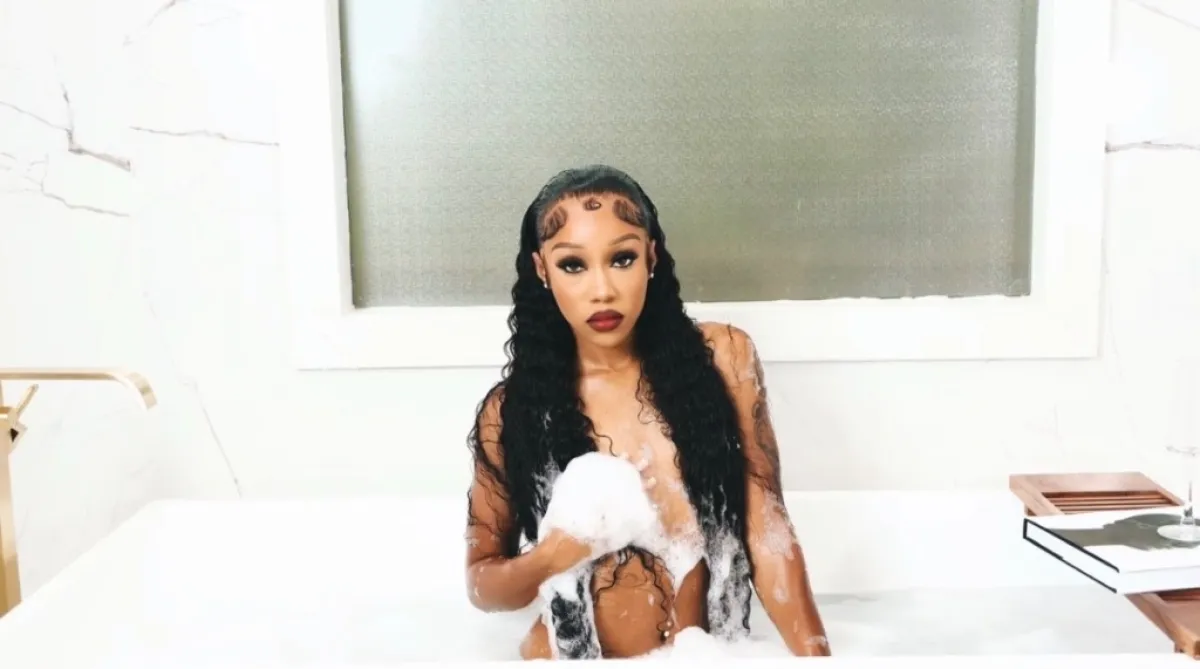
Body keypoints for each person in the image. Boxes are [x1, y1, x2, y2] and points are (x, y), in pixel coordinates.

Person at [464, 164, 829, 659]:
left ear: (651, 257)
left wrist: (819, 659)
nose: (602, 289)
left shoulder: (723, 360)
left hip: (701, 656)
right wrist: (549, 558)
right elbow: (483, 586)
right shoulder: (514, 412)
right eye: (573, 265)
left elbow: (768, 531)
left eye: (622, 258)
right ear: (542, 270)